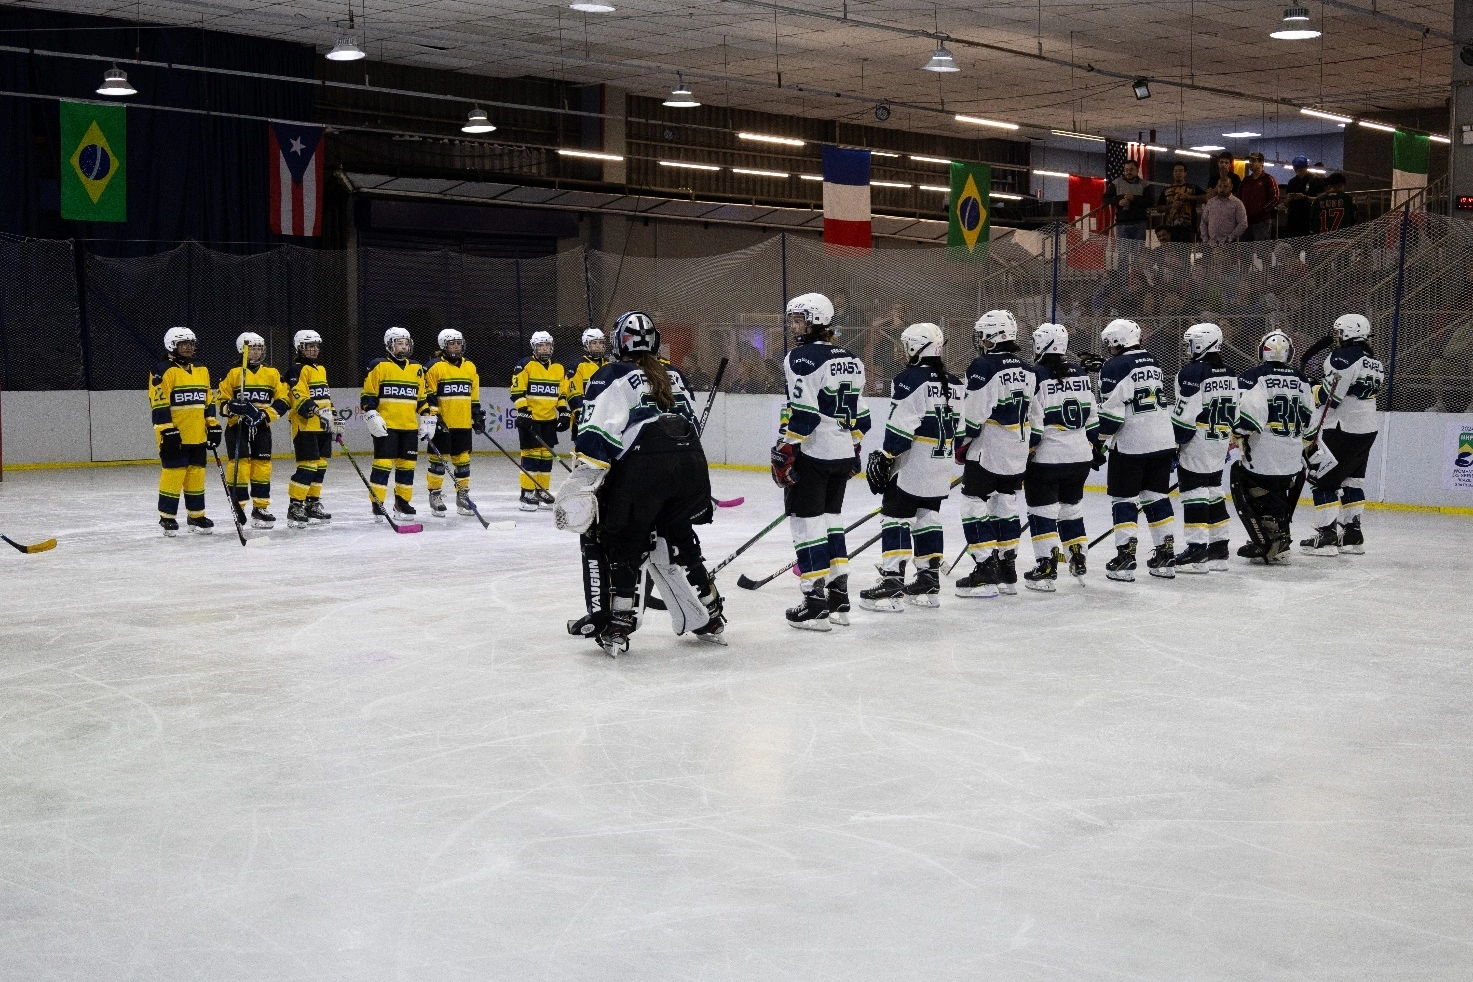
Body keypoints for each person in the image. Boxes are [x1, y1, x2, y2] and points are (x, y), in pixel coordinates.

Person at [552, 311, 725, 657]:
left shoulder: (612, 374)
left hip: (644, 471)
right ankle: (711, 612)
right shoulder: (674, 374)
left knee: (622, 541)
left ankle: (619, 622)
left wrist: (583, 480)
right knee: (676, 536)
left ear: (618, 342)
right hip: (691, 470)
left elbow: (596, 435)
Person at [771, 292, 870, 630]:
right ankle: (838, 597)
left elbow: (805, 414)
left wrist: (787, 449)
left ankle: (814, 603)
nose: (793, 325)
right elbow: (863, 417)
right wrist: (855, 447)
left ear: (816, 320)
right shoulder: (853, 359)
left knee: (806, 525)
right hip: (841, 454)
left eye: (799, 318)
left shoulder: (800, 357)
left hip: (814, 453)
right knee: (831, 522)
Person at [858, 323, 963, 611]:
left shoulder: (908, 379)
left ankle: (892, 582)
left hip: (913, 464)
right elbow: (963, 432)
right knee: (928, 517)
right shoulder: (955, 382)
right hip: (941, 466)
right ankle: (928, 581)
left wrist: (886, 455)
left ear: (916, 347)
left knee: (895, 517)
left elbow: (900, 430)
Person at [953, 310, 1035, 598]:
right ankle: (1007, 571)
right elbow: (1035, 414)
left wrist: (962, 444)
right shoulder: (1028, 368)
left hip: (989, 449)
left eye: (982, 334)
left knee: (972, 504)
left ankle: (985, 571)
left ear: (992, 335)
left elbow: (974, 414)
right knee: (1006, 504)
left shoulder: (984, 365)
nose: (980, 340)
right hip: (1017, 449)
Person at [1020, 323, 1102, 591]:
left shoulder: (1035, 374)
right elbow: (1092, 416)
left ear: (1041, 345)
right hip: (1080, 457)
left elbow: (1035, 421)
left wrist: (1027, 450)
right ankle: (1078, 558)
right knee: (1071, 510)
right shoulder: (1080, 373)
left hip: (1048, 457)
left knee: (1042, 513)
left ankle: (1046, 566)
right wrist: (1093, 445)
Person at [1097, 318, 1178, 581]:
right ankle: (1166, 557)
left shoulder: (1114, 365)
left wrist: (1096, 442)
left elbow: (1112, 416)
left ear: (1117, 341)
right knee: (1156, 497)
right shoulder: (1152, 360)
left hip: (1132, 443)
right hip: (1163, 439)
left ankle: (1125, 558)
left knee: (1124, 500)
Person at [1301, 314, 1385, 555]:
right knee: (1352, 480)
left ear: (1348, 333)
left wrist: (1311, 387)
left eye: (1339, 331)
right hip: (1367, 428)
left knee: (1323, 480)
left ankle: (1326, 536)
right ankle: (1352, 534)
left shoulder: (1341, 356)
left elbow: (1332, 398)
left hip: (1340, 428)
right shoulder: (1374, 361)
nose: (1336, 336)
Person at [1231, 330, 1318, 563]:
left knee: (1240, 479)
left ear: (1262, 351)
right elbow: (1311, 423)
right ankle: (1279, 535)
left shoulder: (1253, 377)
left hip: (1263, 452)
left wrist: (1235, 433)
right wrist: (1302, 444)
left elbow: (1249, 419)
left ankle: (1264, 540)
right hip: (1292, 455)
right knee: (1278, 488)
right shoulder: (1302, 379)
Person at [1169, 323, 1238, 572]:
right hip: (1219, 439)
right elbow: (1235, 411)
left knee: (1194, 492)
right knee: (1214, 490)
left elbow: (1184, 415)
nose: (1187, 348)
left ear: (1200, 344)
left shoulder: (1191, 372)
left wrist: (1175, 444)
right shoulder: (1229, 372)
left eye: (1190, 343)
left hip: (1198, 439)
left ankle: (1197, 550)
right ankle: (1219, 549)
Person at [149, 327, 220, 536]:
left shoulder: (202, 369)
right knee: (174, 474)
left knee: (196, 474)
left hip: (197, 434)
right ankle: (167, 517)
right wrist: (166, 429)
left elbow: (208, 399)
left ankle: (196, 515)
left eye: (191, 343)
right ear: (172, 346)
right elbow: (159, 403)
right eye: (183, 344)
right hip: (173, 435)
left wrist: (213, 425)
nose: (188, 347)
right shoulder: (162, 370)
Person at [216, 331, 289, 529]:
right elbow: (221, 400)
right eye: (252, 348)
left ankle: (260, 507)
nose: (257, 352)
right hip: (237, 427)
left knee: (262, 467)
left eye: (259, 348)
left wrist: (266, 416)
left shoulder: (272, 373)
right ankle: (238, 506)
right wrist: (231, 407)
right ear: (243, 350)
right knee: (240, 466)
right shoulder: (232, 373)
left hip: (261, 427)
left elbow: (284, 399)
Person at [360, 326, 431, 521]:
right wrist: (372, 414)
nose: (404, 346)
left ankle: (402, 503)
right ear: (390, 345)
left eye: (406, 343)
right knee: (382, 465)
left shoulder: (417, 368)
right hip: (386, 426)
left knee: (407, 467)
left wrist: (426, 417)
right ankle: (378, 503)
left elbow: (422, 398)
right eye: (399, 343)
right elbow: (368, 395)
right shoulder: (378, 365)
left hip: (409, 427)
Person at [422, 329, 483, 518]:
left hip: (462, 423)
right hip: (442, 424)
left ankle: (462, 496)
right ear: (443, 346)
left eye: (458, 343)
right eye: (452, 343)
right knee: (439, 461)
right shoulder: (433, 367)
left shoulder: (470, 367)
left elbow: (473, 395)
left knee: (463, 461)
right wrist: (434, 417)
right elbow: (428, 395)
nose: (456, 346)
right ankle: (435, 495)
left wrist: (477, 415)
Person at [283, 329, 339, 529]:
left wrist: (334, 415)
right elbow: (298, 396)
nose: (314, 350)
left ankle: (312, 503)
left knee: (321, 465)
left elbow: (325, 395)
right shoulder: (296, 370)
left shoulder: (320, 369)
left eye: (316, 346)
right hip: (305, 426)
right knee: (307, 466)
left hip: (322, 425)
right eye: (309, 346)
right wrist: (315, 410)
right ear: (299, 348)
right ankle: (295, 505)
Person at [511, 330, 571, 511]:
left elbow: (561, 394)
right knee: (531, 455)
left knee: (546, 457)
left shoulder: (559, 368)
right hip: (531, 418)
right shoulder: (525, 365)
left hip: (549, 419)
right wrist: (523, 412)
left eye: (547, 345)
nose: (544, 349)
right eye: (540, 346)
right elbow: (517, 391)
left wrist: (563, 411)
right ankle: (527, 492)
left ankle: (541, 490)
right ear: (534, 348)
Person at [566, 327, 610, 438]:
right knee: (583, 452)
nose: (598, 345)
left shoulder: (609, 364)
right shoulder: (578, 365)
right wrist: (579, 410)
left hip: (607, 417)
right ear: (586, 345)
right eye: (594, 343)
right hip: (585, 417)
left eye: (600, 342)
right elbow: (573, 391)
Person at [1104, 158, 1155, 241]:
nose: (1128, 172)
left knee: (1138, 253)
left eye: (1131, 169)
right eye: (1126, 170)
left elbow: (1150, 202)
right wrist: (1118, 202)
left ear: (1137, 170)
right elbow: (1106, 198)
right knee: (1123, 253)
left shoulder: (1144, 185)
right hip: (1122, 222)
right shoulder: (1116, 183)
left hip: (1139, 223)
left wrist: (1134, 198)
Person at [1158, 163, 1205, 243]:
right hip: (1170, 229)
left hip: (1188, 228)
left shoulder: (1192, 188)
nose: (1178, 173)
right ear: (1173, 173)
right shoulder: (1166, 190)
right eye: (1176, 171)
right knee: (1171, 253)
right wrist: (1171, 206)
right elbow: (1159, 208)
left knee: (1186, 253)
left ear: (1185, 173)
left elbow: (1205, 198)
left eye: (1181, 171)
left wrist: (1189, 197)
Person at [1239, 151, 1281, 242]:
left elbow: (1275, 198)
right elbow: (1238, 197)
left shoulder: (1268, 179)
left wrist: (1262, 211)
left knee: (1262, 252)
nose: (1250, 162)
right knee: (1245, 253)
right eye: (1250, 160)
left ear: (1261, 162)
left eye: (1254, 160)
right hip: (1246, 222)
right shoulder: (1246, 180)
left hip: (1262, 222)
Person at [1281, 156, 1325, 238]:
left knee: (1308, 245)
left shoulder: (1316, 180)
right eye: (1296, 170)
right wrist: (1288, 199)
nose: (1298, 172)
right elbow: (1286, 203)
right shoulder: (1292, 182)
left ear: (1307, 167)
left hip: (1309, 219)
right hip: (1294, 220)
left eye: (1301, 170)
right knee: (1294, 245)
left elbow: (1321, 200)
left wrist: (1305, 197)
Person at [1199, 178, 1249, 245]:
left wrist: (1230, 238)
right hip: (1211, 244)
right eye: (1220, 186)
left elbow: (1243, 223)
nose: (1222, 189)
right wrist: (1205, 239)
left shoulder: (1237, 203)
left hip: (1229, 245)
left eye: (1225, 186)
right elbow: (1204, 221)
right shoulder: (1211, 202)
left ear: (1231, 187)